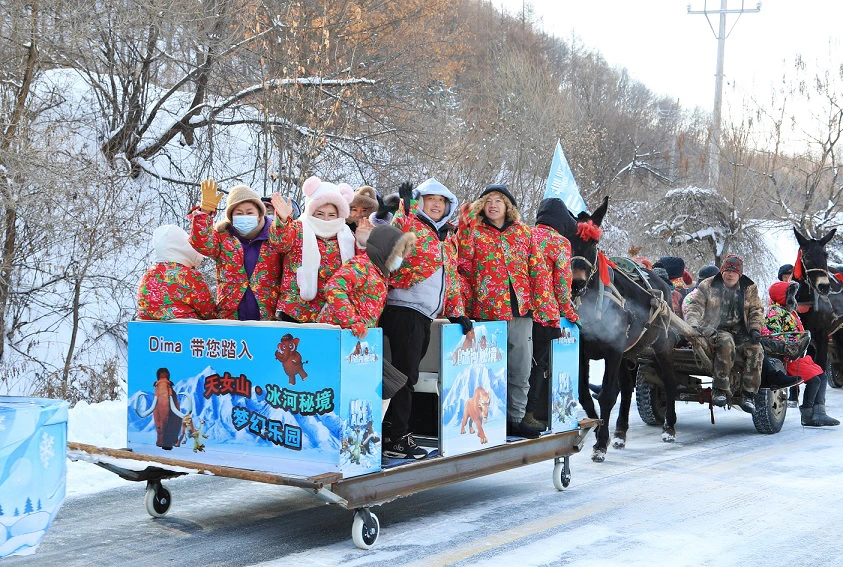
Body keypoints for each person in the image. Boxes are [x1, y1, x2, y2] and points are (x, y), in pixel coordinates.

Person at [458, 184, 560, 438]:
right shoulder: (474, 232)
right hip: (486, 313)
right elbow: (462, 263)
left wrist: (547, 313)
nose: (493, 205)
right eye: (488, 200)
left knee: (520, 369)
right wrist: (464, 228)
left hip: (520, 312)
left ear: (508, 207)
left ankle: (514, 419)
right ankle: (487, 421)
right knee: (487, 372)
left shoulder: (524, 233)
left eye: (499, 201)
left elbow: (539, 272)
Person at [379, 179, 470, 459]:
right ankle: (395, 438)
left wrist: (457, 312)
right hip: (403, 308)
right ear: (420, 202)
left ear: (448, 207)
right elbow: (393, 242)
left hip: (424, 315)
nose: (436, 204)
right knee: (403, 377)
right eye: (430, 199)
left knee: (408, 375)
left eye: (441, 201)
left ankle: (394, 432)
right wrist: (403, 210)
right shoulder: (412, 224)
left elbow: (450, 279)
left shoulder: (446, 238)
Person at [318, 224, 417, 421]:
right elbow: (334, 288)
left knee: (387, 385)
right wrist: (353, 321)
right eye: (398, 252)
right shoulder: (361, 266)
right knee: (384, 384)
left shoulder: (379, 272)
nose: (401, 258)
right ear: (385, 249)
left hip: (358, 342)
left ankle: (370, 436)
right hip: (341, 337)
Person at [188, 180, 281, 320]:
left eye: (249, 212)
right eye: (239, 213)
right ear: (231, 217)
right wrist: (205, 212)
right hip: (230, 316)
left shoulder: (274, 237)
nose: (245, 216)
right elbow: (201, 242)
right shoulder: (222, 238)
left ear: (260, 215)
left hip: (268, 317)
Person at [269, 176, 358, 323]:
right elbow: (279, 243)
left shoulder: (348, 236)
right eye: (320, 214)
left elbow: (359, 266)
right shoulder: (298, 228)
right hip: (295, 310)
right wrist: (283, 220)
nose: (326, 219)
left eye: (331, 215)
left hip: (332, 313)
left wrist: (363, 242)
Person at [684, 254, 764, 412]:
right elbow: (695, 306)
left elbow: (756, 310)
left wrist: (755, 329)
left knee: (756, 349)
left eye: (734, 272)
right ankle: (719, 389)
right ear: (721, 271)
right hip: (714, 329)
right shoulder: (708, 285)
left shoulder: (749, 287)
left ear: (740, 274)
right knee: (726, 342)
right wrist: (693, 325)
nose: (730, 274)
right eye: (727, 270)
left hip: (742, 332)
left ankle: (748, 394)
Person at [525, 197, 579, 430]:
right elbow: (562, 285)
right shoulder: (560, 243)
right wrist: (570, 313)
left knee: (516, 365)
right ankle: (529, 414)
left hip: (518, 310)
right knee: (537, 365)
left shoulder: (524, 234)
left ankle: (511, 412)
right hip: (544, 315)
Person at [762, 281, 839, 426]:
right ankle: (808, 413)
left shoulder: (789, 312)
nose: (794, 298)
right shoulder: (775, 312)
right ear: (783, 296)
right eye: (791, 294)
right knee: (816, 379)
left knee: (821, 375)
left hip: (796, 354)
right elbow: (771, 336)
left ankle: (818, 412)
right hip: (786, 356)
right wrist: (789, 347)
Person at [137, 224, 215, 320]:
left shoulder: (148, 275)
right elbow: (208, 312)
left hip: (148, 332)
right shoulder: (189, 276)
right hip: (185, 331)